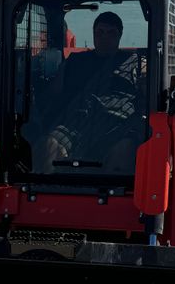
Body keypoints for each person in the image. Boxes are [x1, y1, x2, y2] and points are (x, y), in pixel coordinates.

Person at [38, 11, 142, 172]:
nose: (104, 37)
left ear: (120, 35)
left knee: (125, 149)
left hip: (117, 125)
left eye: (111, 32)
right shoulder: (75, 61)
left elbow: (147, 97)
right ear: (93, 34)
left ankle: (114, 193)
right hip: (76, 122)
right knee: (49, 145)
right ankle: (46, 191)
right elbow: (54, 92)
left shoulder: (136, 64)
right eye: (99, 32)